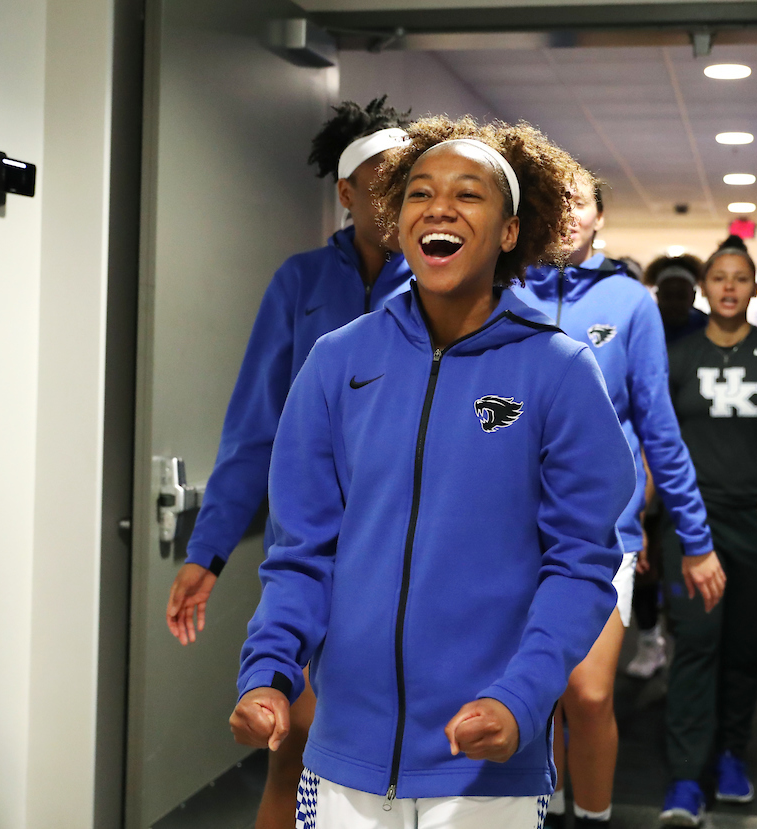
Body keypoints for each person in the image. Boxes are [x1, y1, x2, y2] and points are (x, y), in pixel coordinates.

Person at [228, 116, 637, 829]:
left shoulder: (560, 370)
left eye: (468, 193)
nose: (439, 206)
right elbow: (300, 553)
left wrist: (522, 695)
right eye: (419, 192)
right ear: (397, 219)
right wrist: (268, 671)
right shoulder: (336, 361)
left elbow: (579, 565)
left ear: (510, 232)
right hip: (344, 758)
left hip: (484, 760)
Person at [163, 96, 413, 829]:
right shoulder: (300, 284)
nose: (396, 197)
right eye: (380, 179)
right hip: (310, 547)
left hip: (403, 548)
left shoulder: (439, 287)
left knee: (395, 752)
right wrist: (206, 552)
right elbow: (253, 430)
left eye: (409, 180)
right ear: (346, 192)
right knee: (293, 740)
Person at [514, 179, 724, 829]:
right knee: (533, 695)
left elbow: (658, 426)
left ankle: (594, 817)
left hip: (600, 534)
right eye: (557, 200)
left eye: (582, 200)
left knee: (588, 690)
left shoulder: (631, 303)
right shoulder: (506, 289)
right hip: (508, 532)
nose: (569, 213)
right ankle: (541, 812)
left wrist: (696, 536)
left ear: (601, 215)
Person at [659, 237, 757, 827]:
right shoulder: (675, 356)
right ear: (705, 289)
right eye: (719, 278)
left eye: (740, 278)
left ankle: (730, 754)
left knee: (746, 647)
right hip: (690, 522)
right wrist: (643, 520)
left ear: (754, 289)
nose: (728, 287)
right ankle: (684, 776)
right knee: (697, 643)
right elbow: (656, 441)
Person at [627, 254, 709, 681]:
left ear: (695, 295)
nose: (677, 299)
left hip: (689, 460)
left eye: (684, 292)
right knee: (645, 561)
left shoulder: (702, 333)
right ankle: (648, 639)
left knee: (684, 555)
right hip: (643, 455)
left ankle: (682, 640)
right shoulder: (642, 324)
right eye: (669, 292)